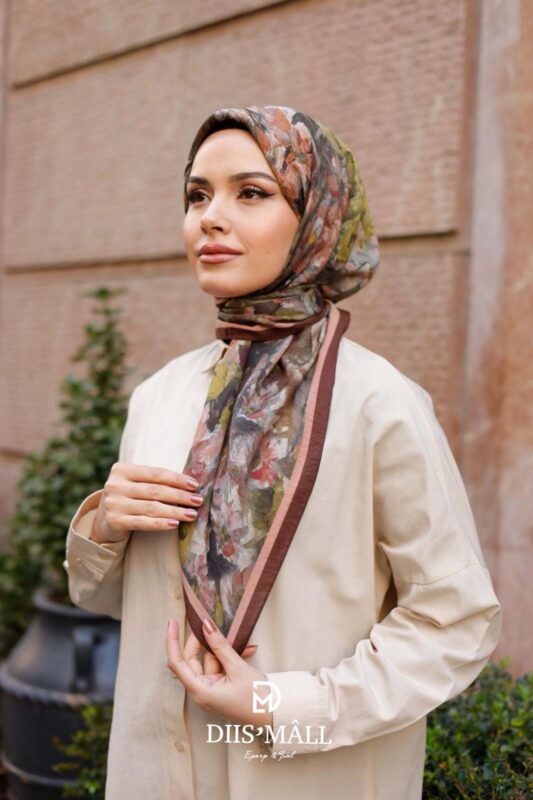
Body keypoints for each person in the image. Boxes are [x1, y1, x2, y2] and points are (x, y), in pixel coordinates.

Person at [64, 105, 502, 800]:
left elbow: (456, 620)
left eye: (251, 192)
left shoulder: (378, 402)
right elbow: (122, 601)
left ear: (317, 219)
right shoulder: (162, 395)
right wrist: (104, 526)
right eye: (197, 195)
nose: (210, 217)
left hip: (306, 775)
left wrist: (281, 707)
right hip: (154, 773)